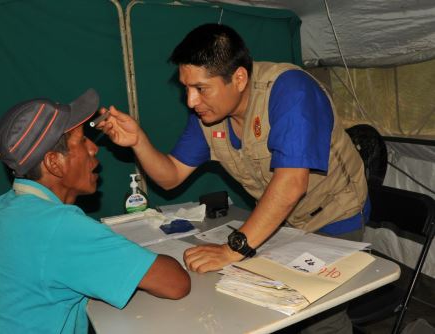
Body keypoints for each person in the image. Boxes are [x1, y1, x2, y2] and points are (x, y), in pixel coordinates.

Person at [99, 24, 368, 334]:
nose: (190, 101)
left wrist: (232, 249)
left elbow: (292, 182)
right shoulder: (208, 115)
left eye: (200, 88)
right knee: (268, 306)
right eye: (186, 88)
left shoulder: (290, 90)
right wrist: (138, 142)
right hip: (284, 223)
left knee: (321, 317)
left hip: (334, 218)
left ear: (239, 78)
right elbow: (171, 176)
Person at [0, 89, 190, 334]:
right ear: (54, 163)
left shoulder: (0, 209)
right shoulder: (56, 226)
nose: (94, 148)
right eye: (81, 141)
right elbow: (175, 283)